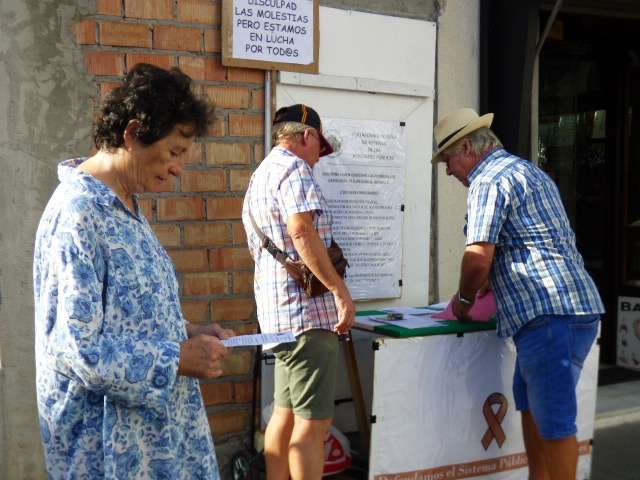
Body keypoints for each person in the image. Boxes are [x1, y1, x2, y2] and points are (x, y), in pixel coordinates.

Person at [33, 63, 234, 479]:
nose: (179, 169)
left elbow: (128, 316)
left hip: (157, 443)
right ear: (133, 132)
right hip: (109, 452)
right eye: (174, 152)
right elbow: (74, 349)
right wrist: (177, 358)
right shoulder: (79, 214)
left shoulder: (125, 207)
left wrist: (188, 332)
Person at [432, 108, 605, 480]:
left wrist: (464, 301)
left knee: (554, 420)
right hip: (570, 306)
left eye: (447, 160)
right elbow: (525, 243)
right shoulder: (528, 171)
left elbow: (478, 257)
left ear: (467, 148)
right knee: (533, 406)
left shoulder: (487, 180)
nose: (448, 171)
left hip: (547, 312)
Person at [242, 104, 355, 479]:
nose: (319, 157)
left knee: (284, 415)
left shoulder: (260, 175)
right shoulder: (295, 168)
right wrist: (339, 291)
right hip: (308, 315)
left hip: (277, 315)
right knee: (314, 423)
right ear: (307, 136)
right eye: (320, 147)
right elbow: (302, 230)